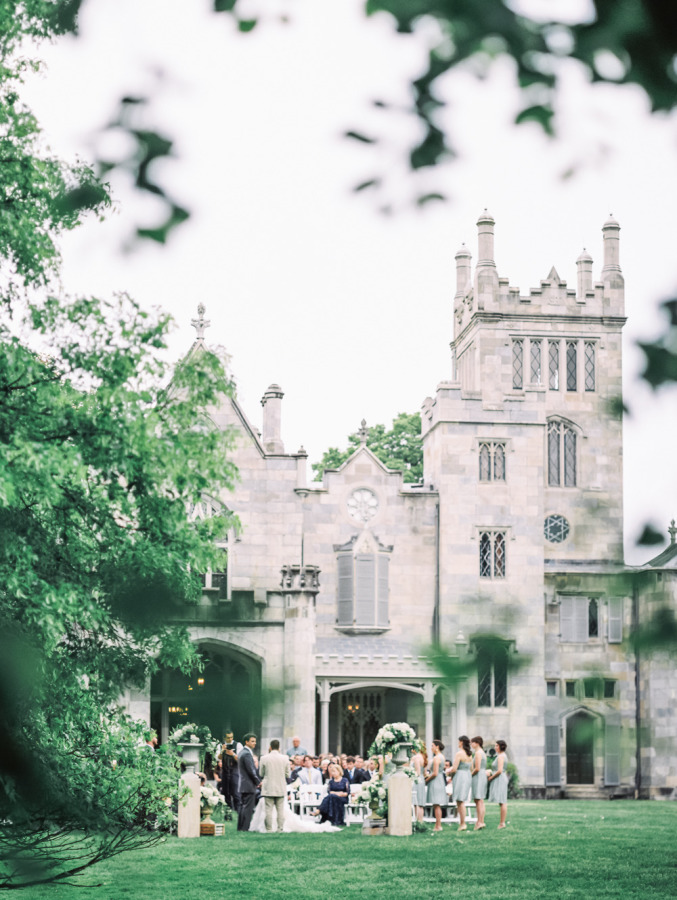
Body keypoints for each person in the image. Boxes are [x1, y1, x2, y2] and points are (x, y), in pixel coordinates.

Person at [259, 739, 291, 833]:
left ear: (270, 747)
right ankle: (280, 828)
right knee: (280, 810)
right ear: (279, 747)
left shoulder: (264, 758)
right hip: (280, 786)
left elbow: (261, 773)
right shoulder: (285, 758)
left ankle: (269, 829)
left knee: (268, 810)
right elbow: (288, 774)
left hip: (268, 787)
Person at [237, 733, 261, 832]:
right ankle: (245, 828)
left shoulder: (242, 752)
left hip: (243, 783)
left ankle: (241, 827)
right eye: (252, 741)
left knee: (243, 807)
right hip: (248, 784)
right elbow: (251, 770)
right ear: (246, 742)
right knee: (247, 808)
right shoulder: (246, 753)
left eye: (255, 741)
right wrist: (257, 781)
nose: (254, 743)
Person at [449, 735, 473, 832]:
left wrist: (449, 773)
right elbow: (471, 768)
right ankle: (462, 822)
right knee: (461, 800)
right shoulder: (470, 754)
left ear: (462, 742)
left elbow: (454, 768)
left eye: (459, 741)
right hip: (467, 776)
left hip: (460, 776)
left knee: (460, 801)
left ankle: (463, 823)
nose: (458, 743)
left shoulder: (459, 754)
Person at [425, 740, 447, 833]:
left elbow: (435, 773)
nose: (431, 747)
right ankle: (438, 824)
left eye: (432, 745)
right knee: (436, 804)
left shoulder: (437, 758)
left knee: (436, 804)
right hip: (440, 779)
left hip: (436, 781)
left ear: (437, 747)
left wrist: (427, 780)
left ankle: (438, 825)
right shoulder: (442, 757)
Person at [487, 739, 509, 829]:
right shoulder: (502, 756)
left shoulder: (501, 756)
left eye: (496, 745)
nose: (495, 747)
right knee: (501, 801)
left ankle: (502, 823)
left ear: (500, 746)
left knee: (502, 801)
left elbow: (500, 770)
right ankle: (502, 822)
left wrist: (491, 777)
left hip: (500, 778)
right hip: (501, 777)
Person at [220, 731, 242, 812]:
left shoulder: (238, 745)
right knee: (226, 793)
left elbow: (240, 759)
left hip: (235, 771)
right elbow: (217, 758)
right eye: (228, 737)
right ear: (224, 738)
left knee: (236, 794)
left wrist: (232, 754)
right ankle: (228, 813)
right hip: (225, 771)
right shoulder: (221, 745)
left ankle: (238, 812)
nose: (230, 739)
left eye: (231, 737)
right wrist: (222, 751)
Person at [470, 736, 487, 831]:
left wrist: (470, 775)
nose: (471, 745)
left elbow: (477, 768)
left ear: (477, 743)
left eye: (472, 742)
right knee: (480, 800)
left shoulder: (478, 753)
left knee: (478, 800)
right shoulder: (482, 752)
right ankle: (481, 821)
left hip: (478, 776)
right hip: (482, 775)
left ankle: (480, 822)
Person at [410, 743, 427, 823]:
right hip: (422, 780)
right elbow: (424, 772)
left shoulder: (416, 757)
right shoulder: (423, 757)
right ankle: (420, 821)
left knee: (417, 802)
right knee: (420, 802)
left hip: (417, 780)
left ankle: (418, 821)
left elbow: (418, 772)